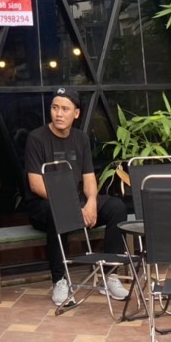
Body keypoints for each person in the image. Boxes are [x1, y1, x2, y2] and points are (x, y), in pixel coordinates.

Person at [23, 87, 129, 305]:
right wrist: (71, 206)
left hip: (77, 200)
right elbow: (35, 184)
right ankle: (60, 280)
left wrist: (91, 202)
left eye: (65, 109)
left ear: (76, 113)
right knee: (58, 212)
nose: (58, 114)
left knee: (116, 207)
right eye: (55, 108)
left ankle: (110, 275)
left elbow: (89, 177)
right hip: (44, 204)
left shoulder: (81, 138)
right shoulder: (36, 138)